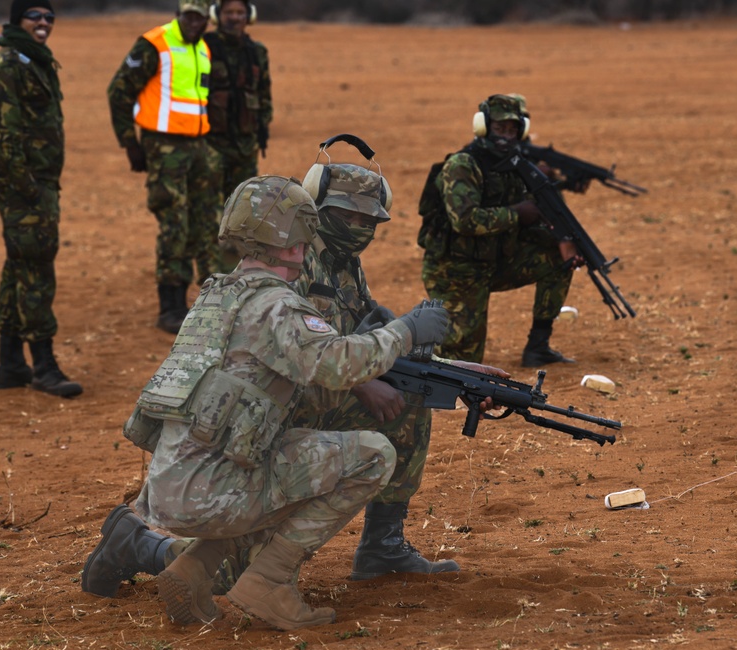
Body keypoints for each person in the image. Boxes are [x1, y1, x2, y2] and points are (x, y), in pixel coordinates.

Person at [82, 158, 496, 602]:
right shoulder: (284, 280)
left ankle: (383, 546)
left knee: (409, 397)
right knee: (231, 576)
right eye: (344, 216)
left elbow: (355, 336)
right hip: (254, 434)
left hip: (242, 429)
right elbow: (325, 356)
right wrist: (394, 348)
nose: (357, 226)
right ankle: (142, 546)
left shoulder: (281, 275)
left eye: (366, 219)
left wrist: (460, 375)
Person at [417, 94, 581, 367]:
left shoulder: (515, 165)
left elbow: (540, 204)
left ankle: (538, 347)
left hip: (493, 262)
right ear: (483, 127)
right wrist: (517, 213)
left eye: (512, 130)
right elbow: (465, 220)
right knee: (462, 362)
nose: (505, 136)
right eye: (499, 129)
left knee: (556, 259)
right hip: (456, 271)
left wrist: (562, 233)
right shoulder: (463, 165)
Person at [0, 0, 82, 398]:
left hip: (36, 183)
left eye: (49, 17)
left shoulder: (36, 60)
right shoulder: (7, 65)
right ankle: (43, 366)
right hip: (22, 186)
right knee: (37, 268)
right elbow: (3, 136)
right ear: (17, 20)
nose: (44, 23)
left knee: (19, 265)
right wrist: (28, 190)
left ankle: (10, 364)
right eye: (35, 16)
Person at [107, 0, 219, 334]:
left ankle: (205, 302)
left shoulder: (202, 48)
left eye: (201, 18)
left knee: (205, 223)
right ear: (179, 14)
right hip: (164, 147)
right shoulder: (155, 43)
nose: (195, 23)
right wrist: (130, 143)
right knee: (175, 223)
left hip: (198, 147)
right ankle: (170, 307)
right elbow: (118, 91)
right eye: (189, 16)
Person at [203, 0, 271, 202]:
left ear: (249, 16)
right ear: (217, 15)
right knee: (208, 210)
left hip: (245, 148)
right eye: (229, 12)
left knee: (243, 208)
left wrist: (261, 130)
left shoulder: (257, 52)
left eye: (240, 12)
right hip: (211, 146)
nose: (234, 17)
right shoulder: (203, 48)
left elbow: (264, 95)